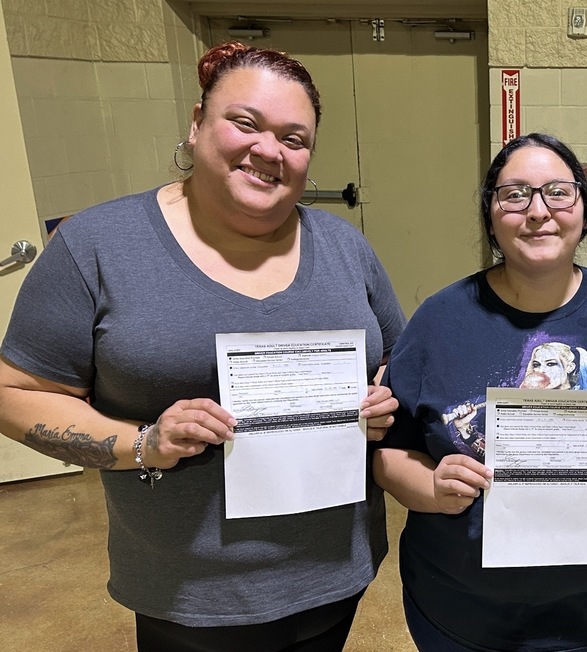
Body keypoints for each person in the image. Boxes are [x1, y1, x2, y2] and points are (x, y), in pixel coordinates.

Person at [0, 42, 406, 650]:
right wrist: (141, 443)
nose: (268, 149)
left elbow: (394, 363)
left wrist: (381, 403)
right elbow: (14, 392)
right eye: (245, 123)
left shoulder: (345, 248)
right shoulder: (98, 246)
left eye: (294, 139)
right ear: (196, 125)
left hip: (332, 572)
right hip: (189, 590)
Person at [373, 132, 587, 651]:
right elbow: (389, 454)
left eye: (559, 192)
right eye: (515, 194)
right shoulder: (438, 320)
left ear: (584, 210)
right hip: (463, 613)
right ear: (492, 215)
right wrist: (430, 488)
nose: (538, 211)